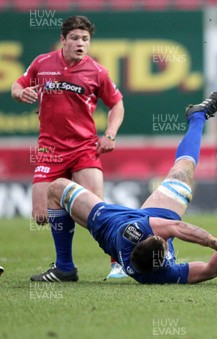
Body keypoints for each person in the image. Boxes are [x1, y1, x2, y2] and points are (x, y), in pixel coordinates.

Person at [30, 90, 217, 284]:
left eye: (157, 236)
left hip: (105, 222)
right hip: (153, 215)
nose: (165, 236)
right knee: (182, 171)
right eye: (163, 239)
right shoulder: (165, 275)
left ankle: (64, 267)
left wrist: (214, 242)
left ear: (143, 238)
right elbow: (210, 270)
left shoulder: (133, 232)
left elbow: (176, 228)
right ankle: (197, 117)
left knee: (56, 188)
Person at [11, 15, 127, 279]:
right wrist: (20, 93)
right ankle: (65, 267)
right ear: (63, 40)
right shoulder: (42, 63)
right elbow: (17, 85)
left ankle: (118, 261)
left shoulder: (97, 72)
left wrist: (110, 134)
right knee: (40, 215)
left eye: (85, 39)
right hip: (49, 151)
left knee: (96, 210)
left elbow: (117, 105)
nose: (80, 43)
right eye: (74, 38)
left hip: (84, 149)